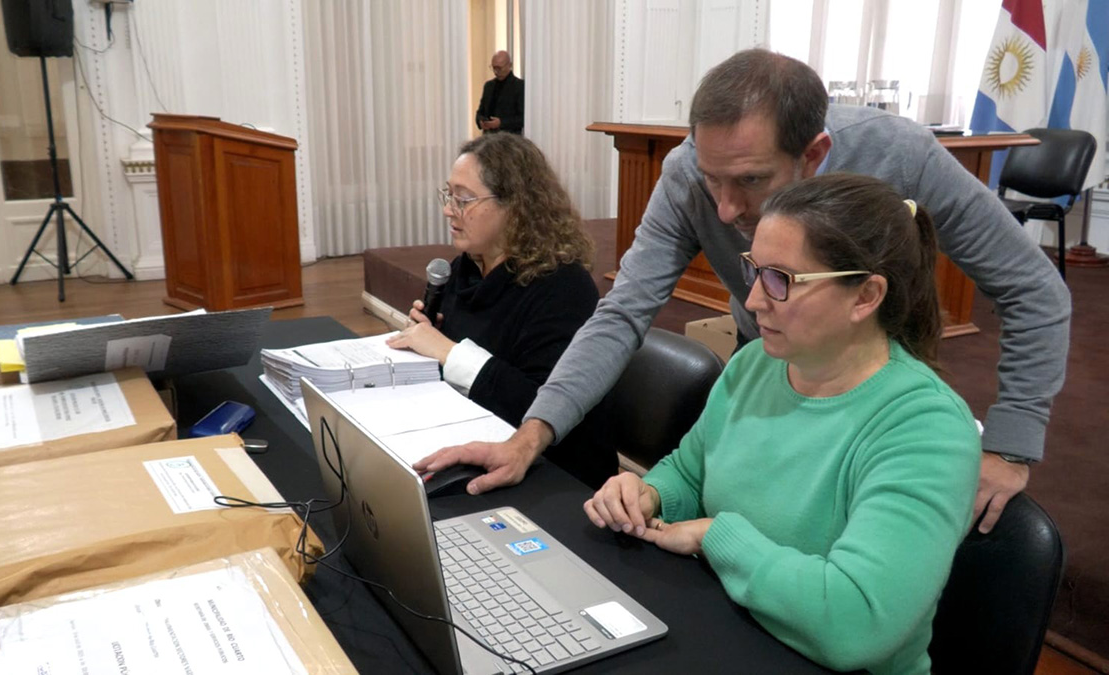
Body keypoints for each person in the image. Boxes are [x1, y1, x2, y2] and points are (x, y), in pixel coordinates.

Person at [416, 49, 1070, 533]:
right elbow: (621, 314)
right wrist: (531, 435)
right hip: (768, 372)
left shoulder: (900, 154)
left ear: (814, 153)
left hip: (877, 392)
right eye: (712, 180)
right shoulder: (685, 174)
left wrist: (1011, 443)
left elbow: (1035, 291)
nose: (725, 211)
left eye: (751, 181)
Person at [585, 173, 981, 673]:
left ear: (865, 296)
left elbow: (857, 625)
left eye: (781, 280)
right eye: (754, 270)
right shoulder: (755, 365)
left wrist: (715, 537)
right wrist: (649, 494)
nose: (752, 300)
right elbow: (691, 471)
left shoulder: (926, 428)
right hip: (731, 632)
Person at [386, 133, 613, 487]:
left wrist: (447, 351)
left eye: (463, 199)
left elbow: (539, 408)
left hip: (558, 473)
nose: (448, 209)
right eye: (448, 195)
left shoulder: (564, 287)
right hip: (477, 436)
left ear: (515, 206)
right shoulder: (465, 269)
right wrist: (425, 345)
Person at [475, 50, 524, 134]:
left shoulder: (519, 86)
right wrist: (481, 121)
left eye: (499, 68)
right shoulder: (489, 86)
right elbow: (480, 112)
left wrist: (501, 123)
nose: (496, 72)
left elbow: (522, 118)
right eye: (494, 68)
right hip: (489, 137)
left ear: (509, 65)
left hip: (509, 138)